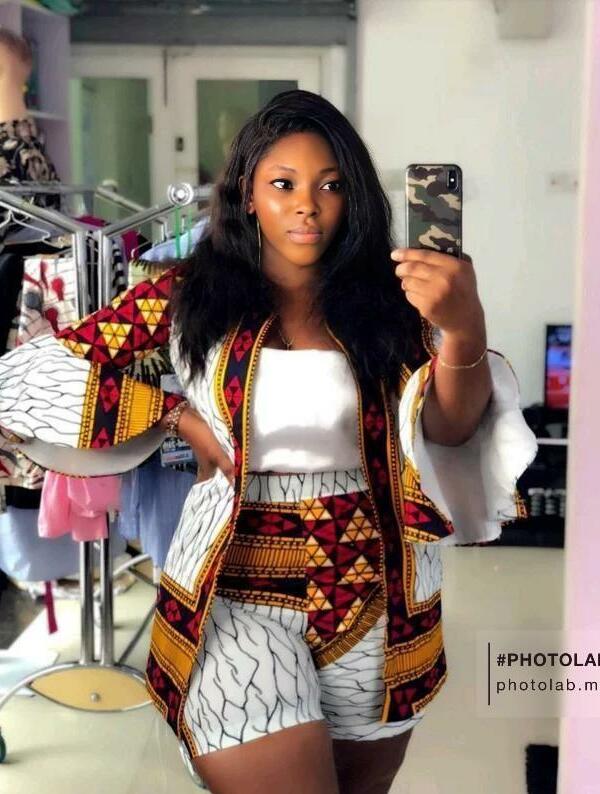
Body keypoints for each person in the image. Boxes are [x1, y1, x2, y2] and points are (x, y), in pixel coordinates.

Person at [0, 90, 537, 793]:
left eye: (330, 186)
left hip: (378, 591)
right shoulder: (184, 294)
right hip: (233, 581)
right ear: (247, 195)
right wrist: (171, 416)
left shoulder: (393, 301)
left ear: (353, 197)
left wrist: (464, 330)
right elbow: (26, 374)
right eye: (283, 184)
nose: (306, 206)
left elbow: (451, 430)